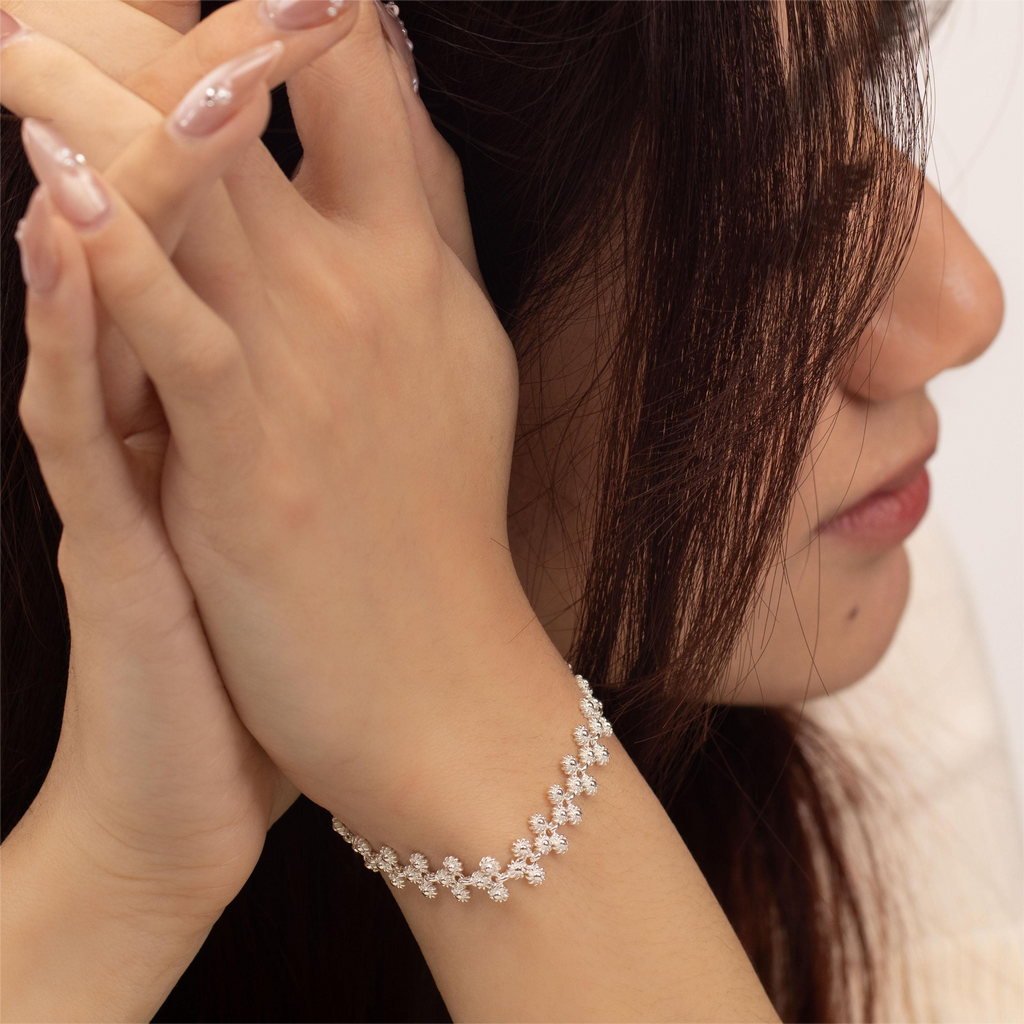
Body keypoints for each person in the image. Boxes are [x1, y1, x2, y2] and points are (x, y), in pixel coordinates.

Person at [0, 0, 1014, 1020]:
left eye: (872, 94)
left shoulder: (823, 628)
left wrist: (460, 717)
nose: (967, 304)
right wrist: (117, 872)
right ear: (326, 279)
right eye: (765, 222)